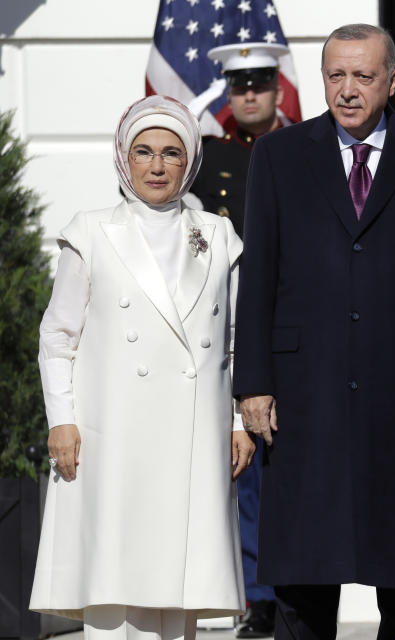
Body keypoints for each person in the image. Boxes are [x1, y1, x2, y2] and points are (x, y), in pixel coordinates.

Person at [233, 23, 395, 640]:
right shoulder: (279, 157)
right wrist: (252, 383)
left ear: (393, 80)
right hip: (303, 396)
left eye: (363, 76)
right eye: (336, 75)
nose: (348, 90)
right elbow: (258, 277)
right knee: (303, 584)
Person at [29, 94, 252, 640]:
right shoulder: (91, 230)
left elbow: (233, 341)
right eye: (143, 151)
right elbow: (57, 337)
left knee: (180, 590)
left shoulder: (218, 236)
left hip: (193, 437)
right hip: (111, 437)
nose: (156, 165)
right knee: (113, 583)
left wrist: (238, 422)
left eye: (171, 152)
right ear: (123, 160)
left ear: (190, 161)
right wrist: (61, 419)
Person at [189, 41, 289, 638]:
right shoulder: (207, 158)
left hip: (295, 321)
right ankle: (259, 596)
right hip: (229, 321)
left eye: (259, 84)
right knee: (243, 461)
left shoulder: (306, 148)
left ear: (279, 90)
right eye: (239, 86)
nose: (249, 94)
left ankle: (297, 587)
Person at [189, 42, 290, 239]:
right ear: (229, 99)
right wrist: (182, 125)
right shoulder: (208, 154)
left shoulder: (302, 149)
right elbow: (139, 187)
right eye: (241, 90)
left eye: (259, 88)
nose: (250, 97)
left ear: (278, 95)